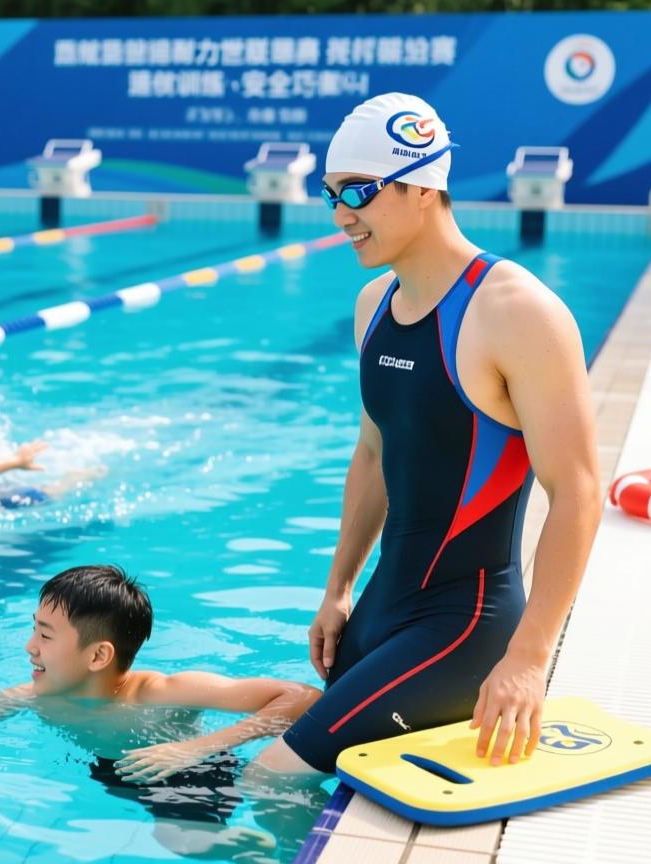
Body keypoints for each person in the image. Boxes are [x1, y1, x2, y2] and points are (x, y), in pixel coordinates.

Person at [248, 92, 602, 778]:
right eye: (331, 194)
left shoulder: (517, 312)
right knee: (276, 754)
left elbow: (579, 493)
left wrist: (527, 660)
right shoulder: (373, 305)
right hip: (383, 608)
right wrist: (338, 588)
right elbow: (374, 453)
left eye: (359, 191)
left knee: (271, 778)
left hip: (466, 628)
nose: (341, 214)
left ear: (422, 185)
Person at [0, 564, 320, 857]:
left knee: (180, 840)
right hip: (116, 771)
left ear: (98, 656)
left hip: (191, 769)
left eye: (45, 636)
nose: (30, 646)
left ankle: (258, 852)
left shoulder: (162, 692)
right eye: (34, 629)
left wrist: (195, 748)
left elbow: (302, 696)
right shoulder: (32, 696)